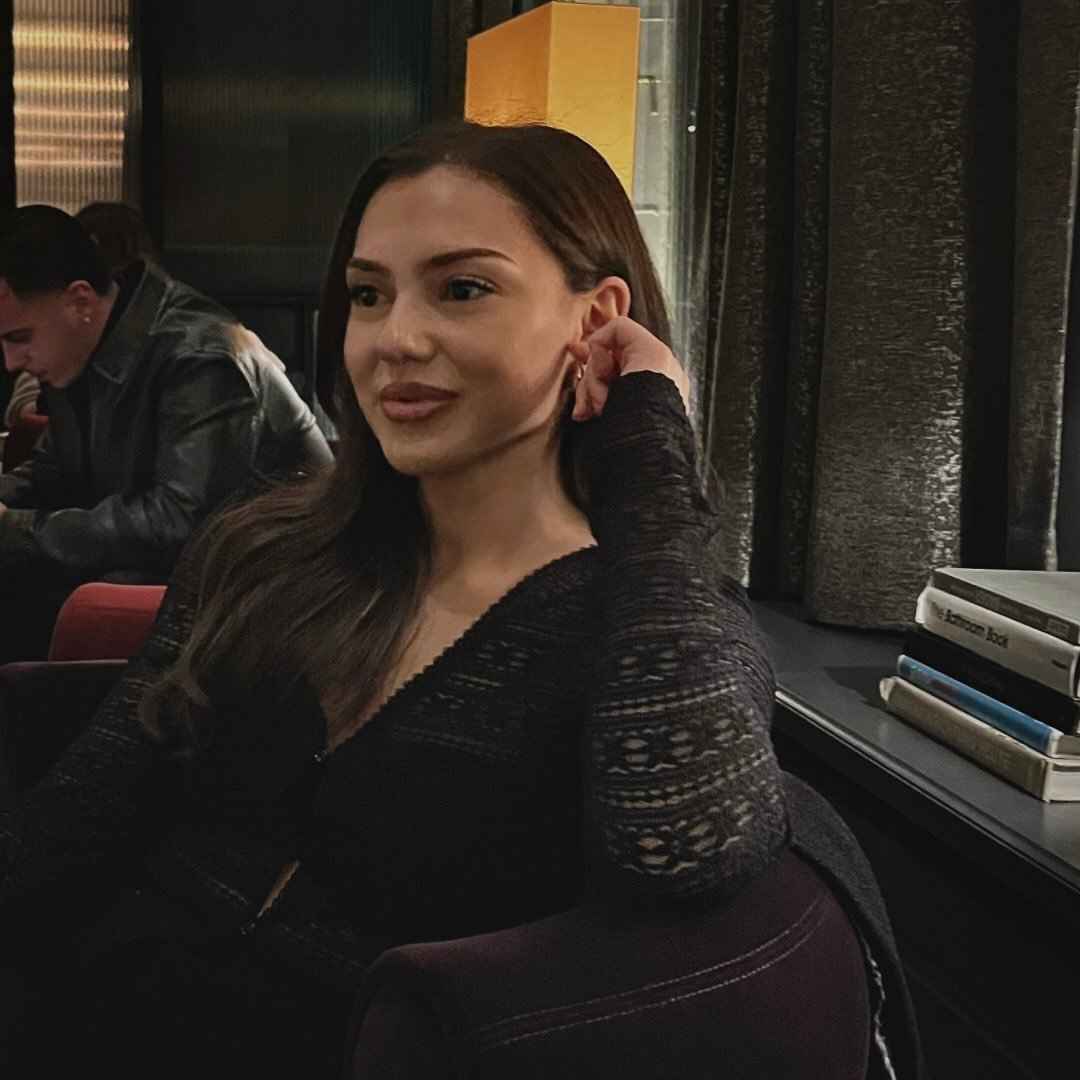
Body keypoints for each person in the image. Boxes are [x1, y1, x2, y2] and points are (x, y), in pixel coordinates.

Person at [0, 122, 923, 1078]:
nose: (395, 340)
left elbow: (677, 850)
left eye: (463, 289)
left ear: (596, 319)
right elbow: (86, 810)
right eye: (369, 295)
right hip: (84, 1008)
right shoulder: (263, 548)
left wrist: (649, 440)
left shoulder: (640, 618)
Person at [0, 204, 334, 661]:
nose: (10, 362)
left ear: (79, 301)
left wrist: (13, 527)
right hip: (191, 569)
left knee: (84, 599)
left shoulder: (201, 353)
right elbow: (52, 473)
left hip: (286, 583)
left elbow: (184, 524)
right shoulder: (76, 349)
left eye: (18, 337)